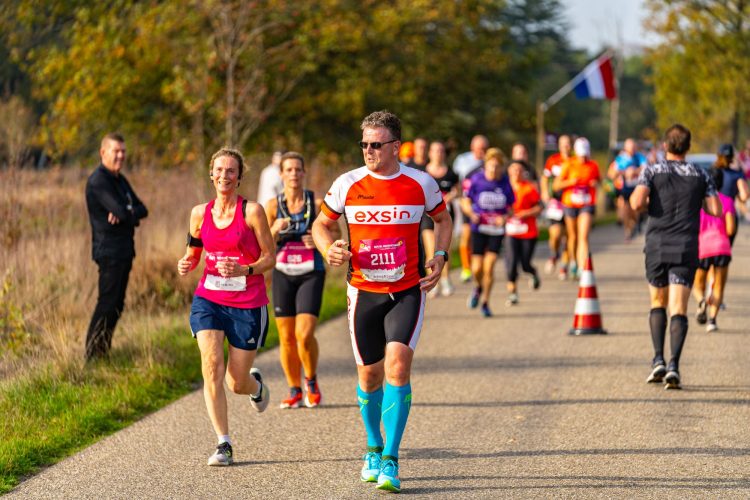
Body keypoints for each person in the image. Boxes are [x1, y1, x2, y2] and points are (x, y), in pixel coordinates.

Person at [312, 110, 452, 493]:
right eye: (364, 144)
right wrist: (329, 250)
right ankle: (372, 446)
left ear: (396, 146)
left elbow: (443, 220)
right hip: (363, 292)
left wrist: (439, 257)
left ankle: (390, 458)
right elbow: (321, 224)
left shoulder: (421, 183)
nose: (368, 151)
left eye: (376, 144)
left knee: (398, 366)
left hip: (406, 290)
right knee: (369, 376)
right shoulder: (348, 183)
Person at [177, 147, 276, 466]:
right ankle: (223, 443)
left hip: (247, 303)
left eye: (230, 171)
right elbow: (194, 250)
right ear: (211, 174)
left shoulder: (252, 212)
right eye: (219, 170)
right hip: (210, 298)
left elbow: (269, 257)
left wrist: (245, 270)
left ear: (239, 176)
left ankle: (255, 386)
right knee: (211, 365)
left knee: (236, 381)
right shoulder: (198, 213)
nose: (224, 176)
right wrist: (186, 262)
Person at [630, 124, 720, 390]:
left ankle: (658, 358)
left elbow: (636, 203)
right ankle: (674, 366)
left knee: (658, 302)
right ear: (688, 147)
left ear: (665, 146)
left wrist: (653, 202)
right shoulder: (701, 174)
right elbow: (714, 209)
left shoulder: (652, 171)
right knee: (679, 308)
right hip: (685, 245)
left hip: (657, 243)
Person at [265, 152, 333, 409]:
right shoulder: (272, 206)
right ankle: (294, 389)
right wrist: (274, 230)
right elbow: (263, 245)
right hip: (282, 273)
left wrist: (316, 240)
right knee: (286, 337)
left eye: (297, 169)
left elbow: (333, 232)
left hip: (310, 273)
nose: (293, 174)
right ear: (281, 174)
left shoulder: (316, 203)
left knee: (304, 335)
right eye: (288, 170)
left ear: (304, 173)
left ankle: (311, 381)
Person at [84, 133, 148, 361]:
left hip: (124, 251)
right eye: (116, 151)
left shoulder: (120, 180)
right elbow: (123, 212)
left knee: (117, 305)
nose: (121, 155)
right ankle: (92, 356)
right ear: (103, 152)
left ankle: (103, 352)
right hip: (108, 252)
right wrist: (127, 212)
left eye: (123, 151)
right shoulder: (98, 181)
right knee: (107, 303)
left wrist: (128, 213)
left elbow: (142, 209)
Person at [462, 147, 515, 317]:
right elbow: (465, 202)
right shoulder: (476, 180)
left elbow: (511, 208)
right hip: (479, 228)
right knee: (477, 268)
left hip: (496, 230)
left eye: (497, 167)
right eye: (490, 166)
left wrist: (505, 218)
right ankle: (478, 287)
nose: (493, 170)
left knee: (489, 267)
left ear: (501, 167)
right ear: (485, 166)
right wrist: (471, 214)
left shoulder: (505, 182)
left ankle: (485, 302)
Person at [692, 168, 734, 333]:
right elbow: (730, 229)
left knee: (698, 283)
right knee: (719, 286)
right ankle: (712, 320)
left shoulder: (697, 202)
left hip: (703, 247)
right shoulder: (727, 200)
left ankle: (701, 300)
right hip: (722, 247)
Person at [553, 137, 600, 280]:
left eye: (585, 155)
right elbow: (556, 185)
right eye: (580, 155)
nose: (583, 158)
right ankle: (573, 262)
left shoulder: (593, 165)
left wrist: (594, 183)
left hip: (586, 204)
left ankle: (582, 267)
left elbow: (599, 181)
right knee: (572, 236)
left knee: (583, 236)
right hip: (570, 204)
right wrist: (570, 182)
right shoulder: (569, 164)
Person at [421, 141, 459, 297]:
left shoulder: (451, 173)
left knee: (442, 250)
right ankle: (432, 282)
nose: (438, 153)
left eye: (441, 151)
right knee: (430, 249)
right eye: (435, 150)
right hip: (426, 216)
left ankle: (445, 279)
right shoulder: (422, 172)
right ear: (430, 153)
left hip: (445, 215)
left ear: (445, 153)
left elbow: (459, 191)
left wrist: (450, 196)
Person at [505, 160, 542, 305]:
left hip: (528, 232)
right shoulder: (505, 188)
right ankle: (512, 293)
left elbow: (539, 208)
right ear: (509, 172)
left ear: (523, 173)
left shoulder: (529, 189)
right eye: (513, 170)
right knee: (512, 263)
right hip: (511, 232)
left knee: (525, 264)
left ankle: (533, 272)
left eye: (519, 170)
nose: (516, 173)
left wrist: (525, 213)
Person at [453, 134, 489, 282]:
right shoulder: (462, 160)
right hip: (467, 203)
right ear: (472, 147)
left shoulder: (490, 162)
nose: (482, 151)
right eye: (479, 148)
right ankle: (466, 269)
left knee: (483, 238)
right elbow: (456, 181)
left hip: (486, 206)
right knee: (466, 237)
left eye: (484, 148)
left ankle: (482, 267)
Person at [541, 135, 571, 279]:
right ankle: (554, 254)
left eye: (568, 144)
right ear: (559, 145)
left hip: (571, 202)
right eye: (563, 144)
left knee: (569, 237)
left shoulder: (576, 161)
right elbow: (545, 177)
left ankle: (564, 266)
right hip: (556, 203)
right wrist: (545, 191)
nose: (565, 146)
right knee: (555, 234)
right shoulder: (553, 160)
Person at [608, 138, 647, 240]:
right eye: (630, 148)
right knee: (625, 209)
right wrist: (624, 172)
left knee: (635, 209)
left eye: (633, 147)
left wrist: (635, 171)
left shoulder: (639, 157)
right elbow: (611, 173)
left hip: (637, 187)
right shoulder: (620, 159)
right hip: (625, 188)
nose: (632, 150)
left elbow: (646, 168)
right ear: (625, 148)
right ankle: (628, 230)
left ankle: (635, 223)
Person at [714, 143, 749, 246]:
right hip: (729, 212)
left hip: (712, 212)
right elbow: (744, 196)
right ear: (732, 157)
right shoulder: (737, 174)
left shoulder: (711, 171)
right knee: (725, 247)